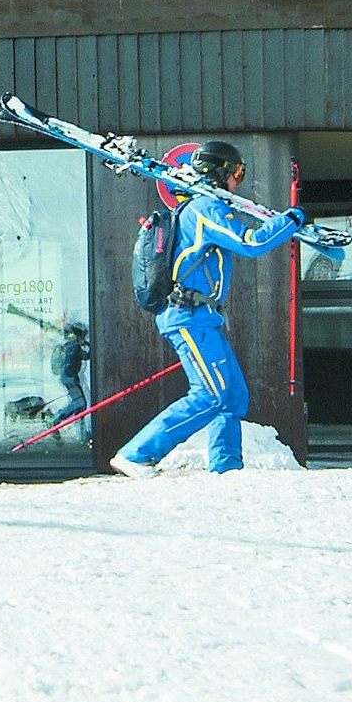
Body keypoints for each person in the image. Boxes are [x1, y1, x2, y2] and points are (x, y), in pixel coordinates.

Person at [116, 141, 306, 475]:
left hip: (201, 315)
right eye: (236, 173)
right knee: (212, 392)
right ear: (218, 172)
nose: (238, 182)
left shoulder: (200, 208)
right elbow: (252, 242)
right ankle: (137, 454)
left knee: (232, 395)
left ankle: (226, 467)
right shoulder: (205, 209)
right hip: (187, 316)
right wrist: (290, 220)